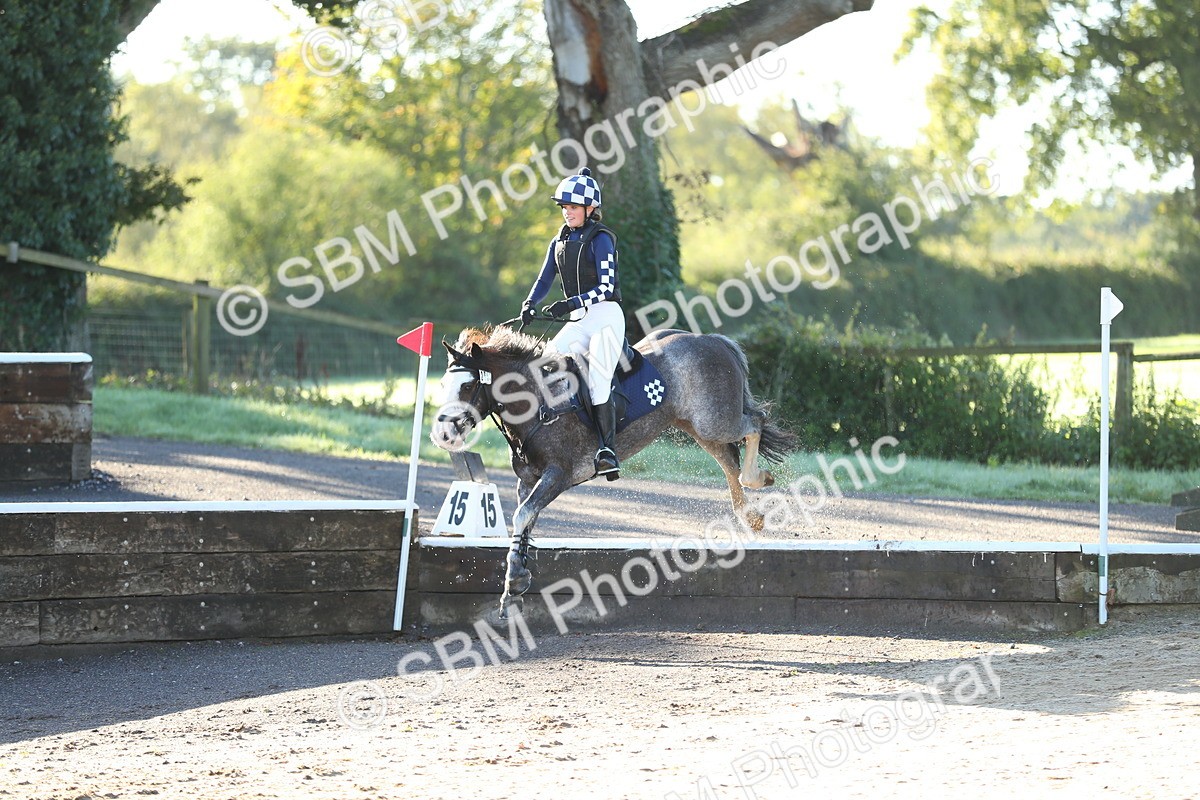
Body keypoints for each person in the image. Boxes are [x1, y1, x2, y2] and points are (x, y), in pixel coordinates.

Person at [520, 167, 625, 479]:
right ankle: (563, 435)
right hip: (579, 321)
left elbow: (606, 287)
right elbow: (544, 279)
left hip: (605, 318)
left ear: (590, 209)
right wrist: (530, 303)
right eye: (564, 207)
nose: (567, 212)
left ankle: (608, 450)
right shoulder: (560, 240)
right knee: (544, 366)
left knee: (598, 382)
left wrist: (571, 303)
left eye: (573, 207)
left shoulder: (602, 239)